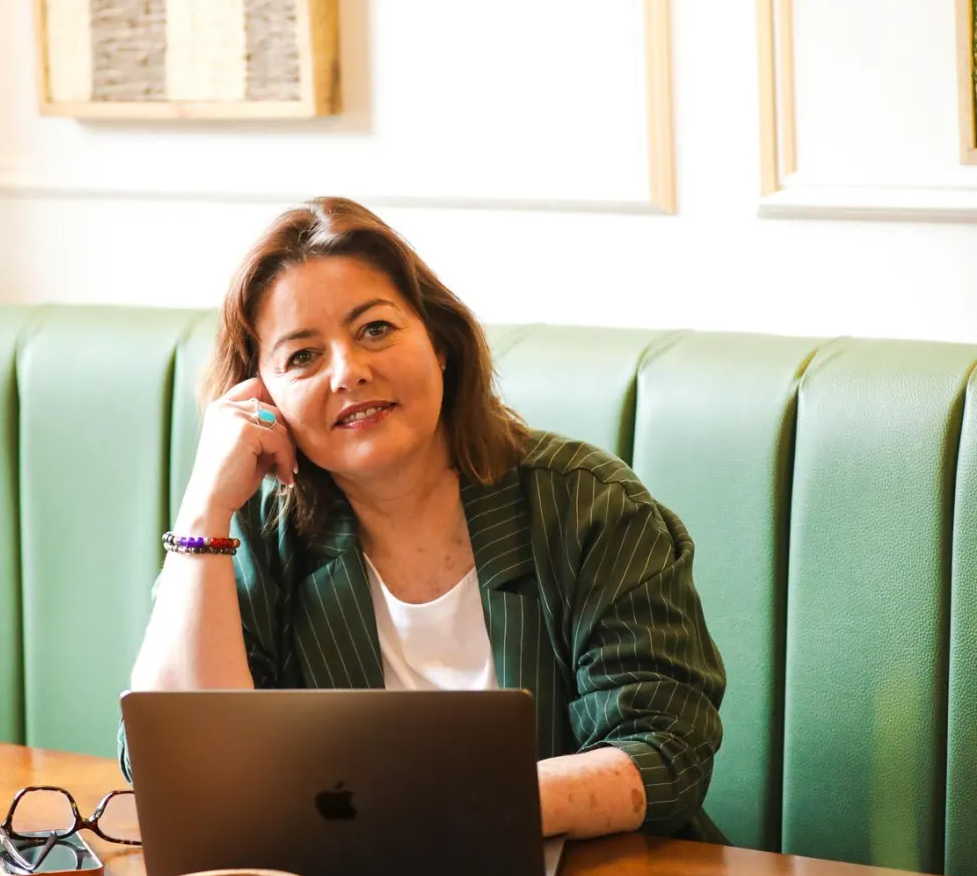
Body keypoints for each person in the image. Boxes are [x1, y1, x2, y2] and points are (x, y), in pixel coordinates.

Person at [128, 197, 726, 842]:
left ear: (440, 343)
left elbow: (664, 753)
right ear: (262, 399)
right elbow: (176, 764)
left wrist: (446, 808)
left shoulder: (589, 506)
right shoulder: (257, 534)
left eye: (374, 329)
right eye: (302, 357)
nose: (349, 372)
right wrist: (204, 507)